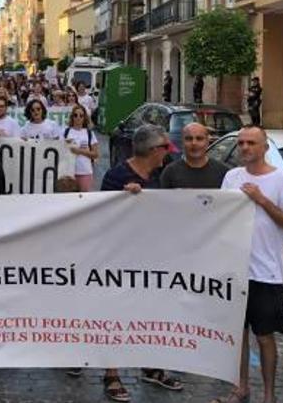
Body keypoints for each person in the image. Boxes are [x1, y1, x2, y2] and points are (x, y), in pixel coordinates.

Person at [214, 125, 283, 403]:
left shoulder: (282, 180)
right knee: (237, 336)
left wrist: (261, 200)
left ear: (264, 147)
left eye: (251, 143)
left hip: (265, 273)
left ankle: (269, 396)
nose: (244, 148)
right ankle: (240, 388)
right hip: (234, 271)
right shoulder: (231, 176)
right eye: (241, 143)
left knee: (265, 337)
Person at [99, 124, 184, 401]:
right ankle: (111, 374)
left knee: (151, 312)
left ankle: (151, 366)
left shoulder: (162, 175)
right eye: (164, 149)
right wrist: (125, 200)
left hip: (154, 257)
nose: (167, 155)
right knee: (117, 313)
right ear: (152, 150)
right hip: (120, 257)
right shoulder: (116, 175)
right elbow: (99, 215)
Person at [160, 123, 228, 190]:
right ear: (182, 142)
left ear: (207, 142)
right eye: (189, 139)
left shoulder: (223, 172)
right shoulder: (170, 173)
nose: (194, 143)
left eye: (199, 139)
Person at [63, 105, 99, 192]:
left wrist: (79, 151)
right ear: (72, 117)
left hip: (85, 172)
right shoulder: (66, 132)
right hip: (69, 173)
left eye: (81, 115)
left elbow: (96, 154)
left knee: (83, 200)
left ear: (84, 117)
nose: (78, 117)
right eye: (75, 115)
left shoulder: (89, 133)